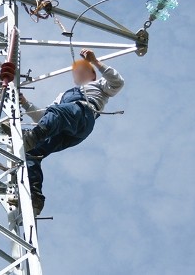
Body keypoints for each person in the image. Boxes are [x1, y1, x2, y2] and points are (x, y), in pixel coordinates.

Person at [20, 49, 124, 215]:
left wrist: (95, 62)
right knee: (32, 152)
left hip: (83, 115)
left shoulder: (100, 85)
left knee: (55, 115)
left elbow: (117, 82)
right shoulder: (62, 96)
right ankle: (35, 196)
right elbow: (44, 118)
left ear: (93, 74)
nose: (79, 72)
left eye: (84, 70)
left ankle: (33, 137)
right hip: (67, 129)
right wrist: (25, 103)